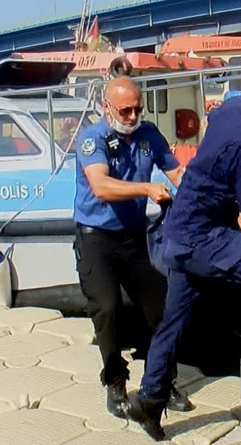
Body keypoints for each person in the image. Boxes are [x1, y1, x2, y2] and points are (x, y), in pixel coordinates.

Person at [128, 64, 241, 441]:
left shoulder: (232, 108)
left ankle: (149, 400)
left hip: (177, 233)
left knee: (173, 323)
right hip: (206, 238)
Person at [73, 77, 193, 419]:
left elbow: (178, 173)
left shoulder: (149, 135)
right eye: (125, 110)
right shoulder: (91, 138)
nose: (132, 115)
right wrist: (145, 189)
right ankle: (115, 381)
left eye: (138, 108)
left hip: (134, 237)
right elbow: (101, 185)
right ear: (106, 107)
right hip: (96, 238)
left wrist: (200, 194)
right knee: (107, 309)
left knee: (163, 307)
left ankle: (161, 381)